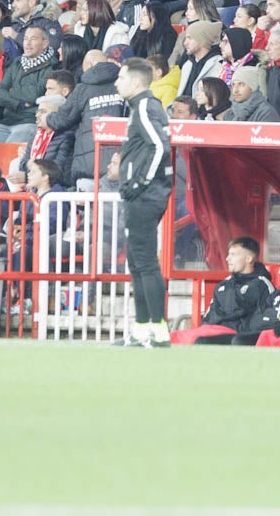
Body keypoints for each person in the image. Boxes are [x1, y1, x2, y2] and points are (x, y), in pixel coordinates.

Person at [108, 57, 172, 348]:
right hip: (144, 194)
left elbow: (160, 146)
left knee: (144, 261)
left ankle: (157, 329)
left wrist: (140, 182)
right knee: (137, 261)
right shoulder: (142, 106)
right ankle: (144, 328)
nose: (116, 82)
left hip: (146, 194)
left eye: (120, 78)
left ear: (136, 82)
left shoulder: (146, 106)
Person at [172, 237, 277, 346]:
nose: (227, 259)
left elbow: (264, 320)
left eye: (233, 255)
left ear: (249, 259)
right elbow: (208, 318)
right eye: (228, 254)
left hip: (235, 334)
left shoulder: (262, 285)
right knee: (171, 338)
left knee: (199, 341)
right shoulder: (223, 285)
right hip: (211, 330)